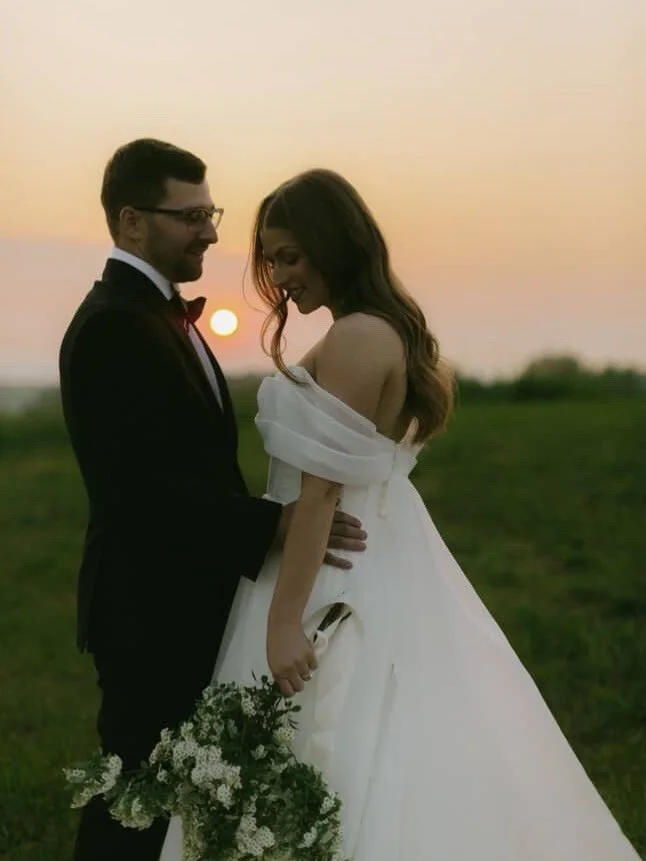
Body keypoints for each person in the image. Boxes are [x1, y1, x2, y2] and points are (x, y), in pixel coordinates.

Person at [160, 167, 641, 860]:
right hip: (356, 552)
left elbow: (321, 494)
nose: (279, 276)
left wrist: (283, 621)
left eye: (290, 256)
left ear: (335, 243)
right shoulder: (376, 328)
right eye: (270, 259)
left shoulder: (358, 337)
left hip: (333, 571)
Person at [59, 142, 366, 861]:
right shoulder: (112, 325)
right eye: (191, 216)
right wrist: (280, 523)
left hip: (189, 592)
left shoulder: (158, 315)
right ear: (132, 222)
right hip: (146, 607)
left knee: (179, 794)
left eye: (211, 213)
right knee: (136, 794)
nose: (211, 232)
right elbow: (140, 493)